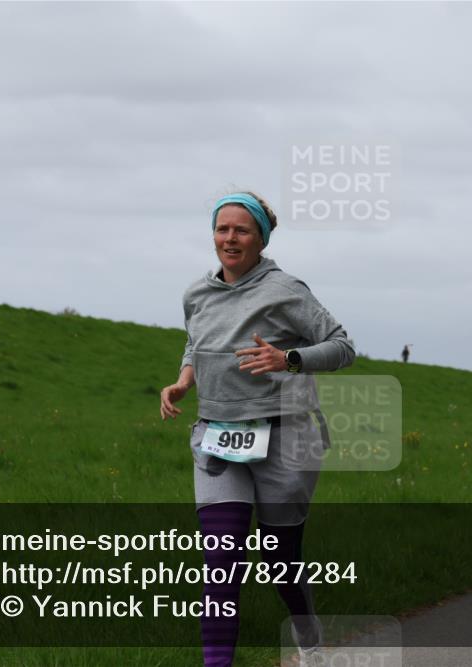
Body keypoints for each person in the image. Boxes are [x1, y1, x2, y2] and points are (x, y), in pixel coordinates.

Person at [160, 191, 356, 667]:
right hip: (218, 437)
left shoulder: (286, 290)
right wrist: (185, 380)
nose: (230, 238)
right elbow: (197, 341)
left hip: (286, 437)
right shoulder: (196, 293)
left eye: (241, 230)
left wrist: (287, 359)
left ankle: (309, 640)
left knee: (280, 564)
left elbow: (342, 346)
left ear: (260, 239)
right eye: (223, 229)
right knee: (221, 566)